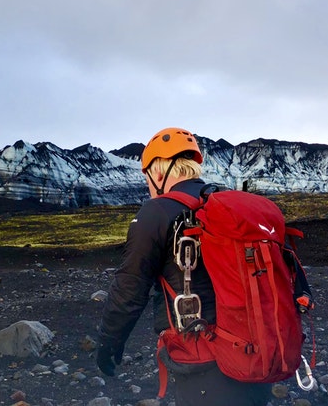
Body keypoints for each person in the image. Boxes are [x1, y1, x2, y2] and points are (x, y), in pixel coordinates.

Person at [96, 127, 272, 406]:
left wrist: (108, 344)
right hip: (257, 350)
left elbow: (130, 288)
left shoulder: (156, 212)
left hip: (203, 361)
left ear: (157, 171)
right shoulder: (226, 206)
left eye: (146, 178)